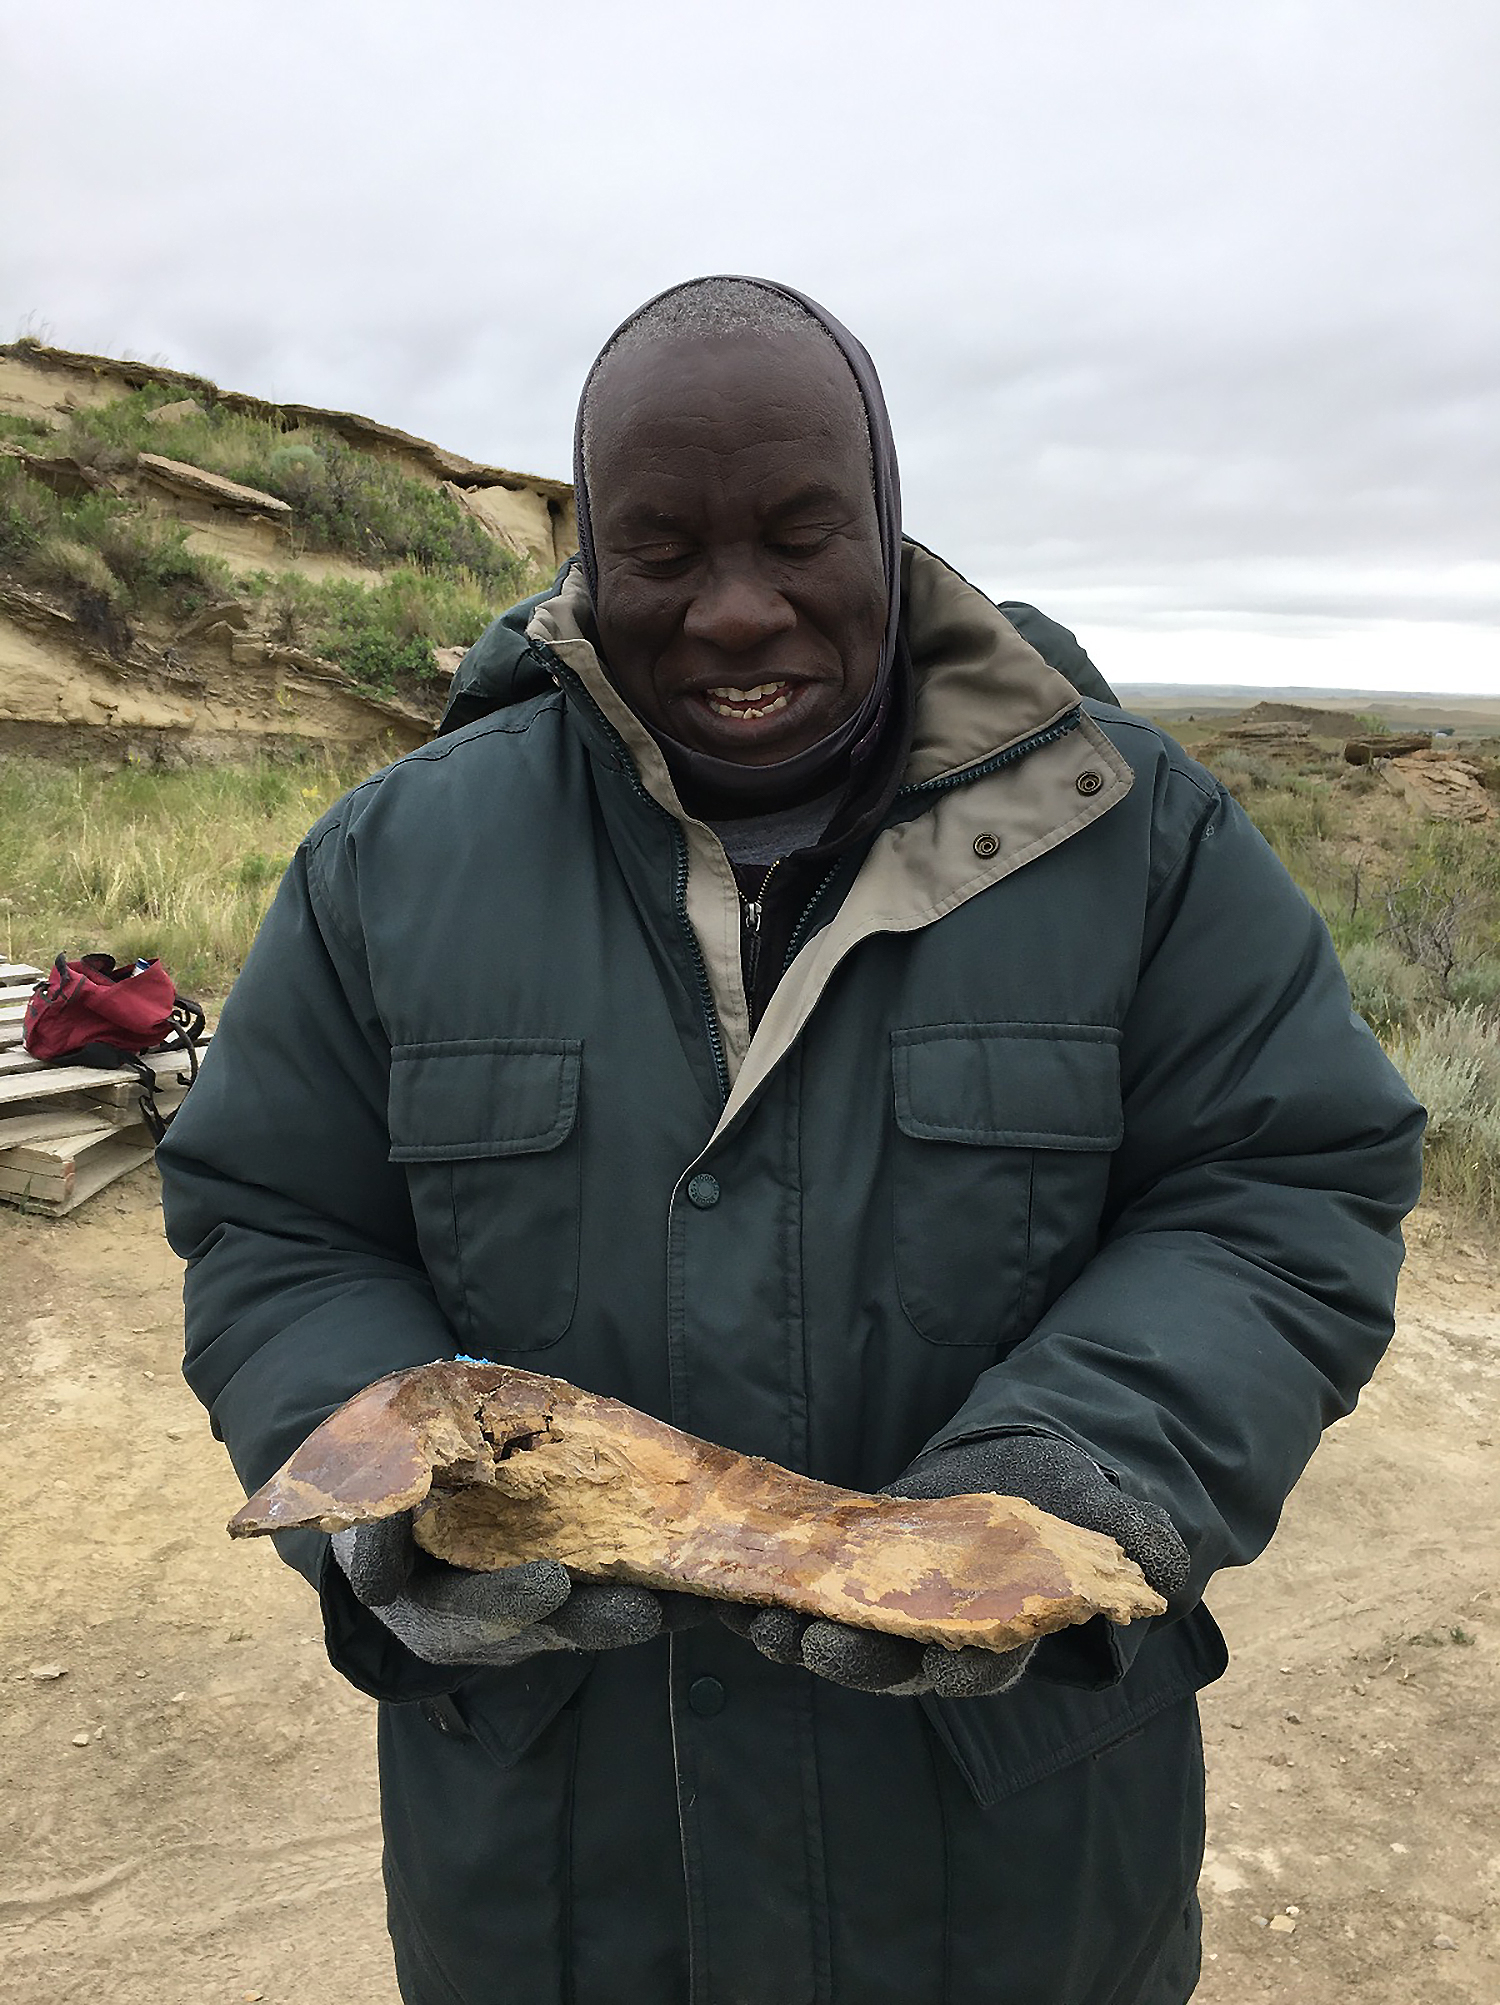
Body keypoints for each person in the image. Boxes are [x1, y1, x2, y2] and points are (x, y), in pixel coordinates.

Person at [159, 276, 1424, 2005]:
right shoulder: (393, 862)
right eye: (663, 546)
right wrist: (391, 1503)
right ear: (586, 545)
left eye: (799, 532)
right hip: (559, 1874)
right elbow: (275, 1225)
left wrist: (1078, 1474)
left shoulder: (1137, 837)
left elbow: (1282, 1190)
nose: (736, 609)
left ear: (888, 523)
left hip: (1012, 1870)